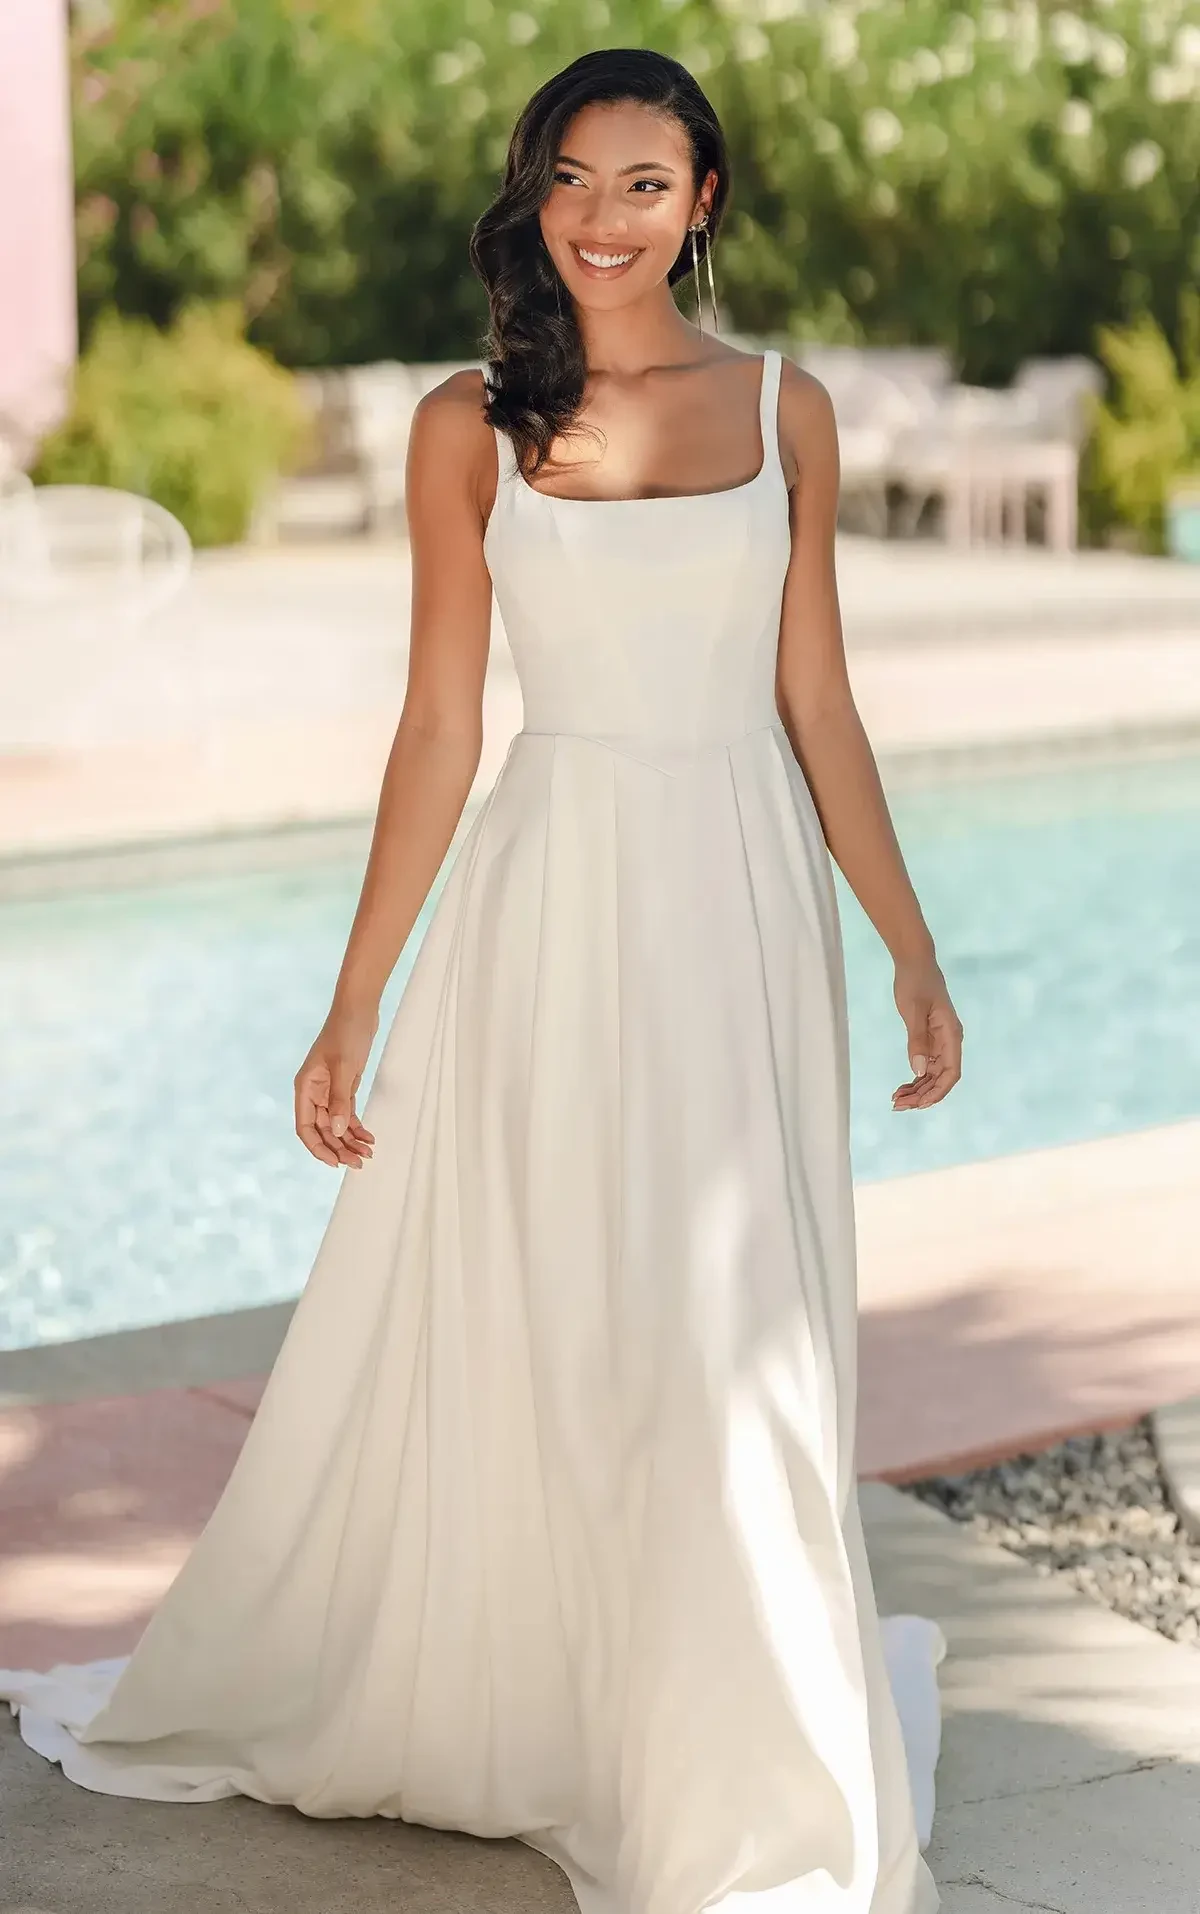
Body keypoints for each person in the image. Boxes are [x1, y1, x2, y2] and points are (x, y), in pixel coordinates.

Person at [1, 46, 959, 1914]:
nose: (605, 219)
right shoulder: (474, 425)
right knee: (564, 1303)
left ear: (706, 207)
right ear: (533, 194)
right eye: (575, 180)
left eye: (647, 184)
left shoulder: (790, 411)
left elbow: (816, 699)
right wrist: (355, 995)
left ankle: (742, 1762)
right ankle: (571, 1703)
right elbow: (439, 726)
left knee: (737, 1321)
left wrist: (908, 940)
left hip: (740, 898)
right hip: (550, 899)